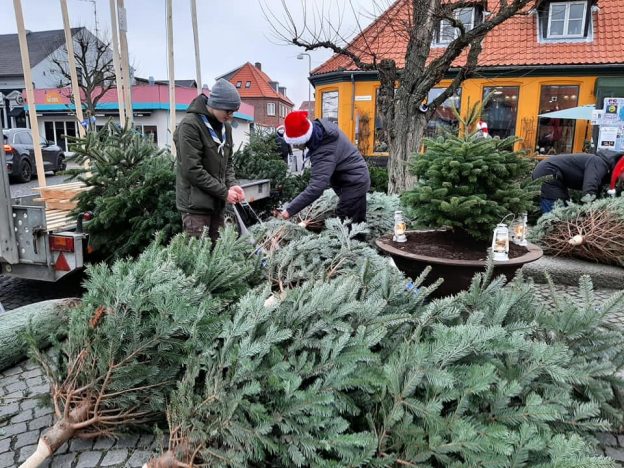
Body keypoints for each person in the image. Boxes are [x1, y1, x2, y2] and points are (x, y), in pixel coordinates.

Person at [174, 78, 245, 241]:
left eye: (233, 111)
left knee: (218, 256)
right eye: (228, 111)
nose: (230, 116)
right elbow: (192, 170)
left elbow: (227, 164)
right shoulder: (190, 126)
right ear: (216, 104)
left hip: (216, 205)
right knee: (201, 260)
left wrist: (233, 185)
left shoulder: (225, 127)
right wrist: (223, 192)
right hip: (195, 209)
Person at [277, 110, 371, 223]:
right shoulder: (319, 130)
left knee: (346, 224)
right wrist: (284, 131)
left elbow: (316, 188)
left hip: (354, 183)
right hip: (354, 178)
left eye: (295, 143)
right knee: (357, 220)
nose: (294, 146)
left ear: (303, 139)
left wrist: (289, 210)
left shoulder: (324, 151)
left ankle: (355, 239)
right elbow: (298, 128)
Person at [532, 149, 624, 213]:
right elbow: (590, 187)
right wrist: (591, 211)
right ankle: (550, 231)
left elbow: (599, 190)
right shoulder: (599, 162)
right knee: (556, 210)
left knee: (563, 207)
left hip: (557, 176)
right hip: (548, 171)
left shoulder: (609, 171)